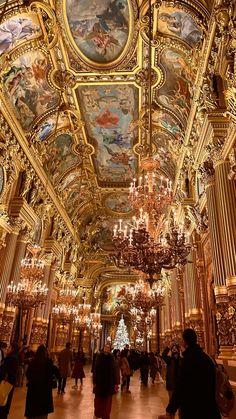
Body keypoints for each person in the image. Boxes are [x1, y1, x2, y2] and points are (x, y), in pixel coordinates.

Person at [159, 328, 221, 419]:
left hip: (193, 409)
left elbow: (181, 387)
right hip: (210, 408)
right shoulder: (208, 358)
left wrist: (170, 410)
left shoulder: (187, 361)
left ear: (184, 342)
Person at [25, 344, 59, 419]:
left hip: (33, 390)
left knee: (32, 411)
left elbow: (27, 374)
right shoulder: (48, 362)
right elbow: (57, 373)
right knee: (42, 412)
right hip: (44, 391)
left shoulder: (33, 362)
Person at [93, 344, 118, 419]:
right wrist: (94, 381)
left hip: (109, 382)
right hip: (100, 382)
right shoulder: (99, 357)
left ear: (110, 349)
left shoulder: (112, 358)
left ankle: (105, 415)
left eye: (108, 347)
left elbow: (114, 371)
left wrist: (115, 382)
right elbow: (96, 369)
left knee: (107, 402)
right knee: (98, 400)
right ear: (103, 348)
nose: (106, 349)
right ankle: (98, 413)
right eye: (105, 347)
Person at [0, 343, 19, 419]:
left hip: (5, 383)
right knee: (6, 401)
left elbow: (4, 371)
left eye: (9, 347)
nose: (8, 348)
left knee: (3, 400)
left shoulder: (11, 358)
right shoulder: (14, 357)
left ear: (13, 349)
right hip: (10, 383)